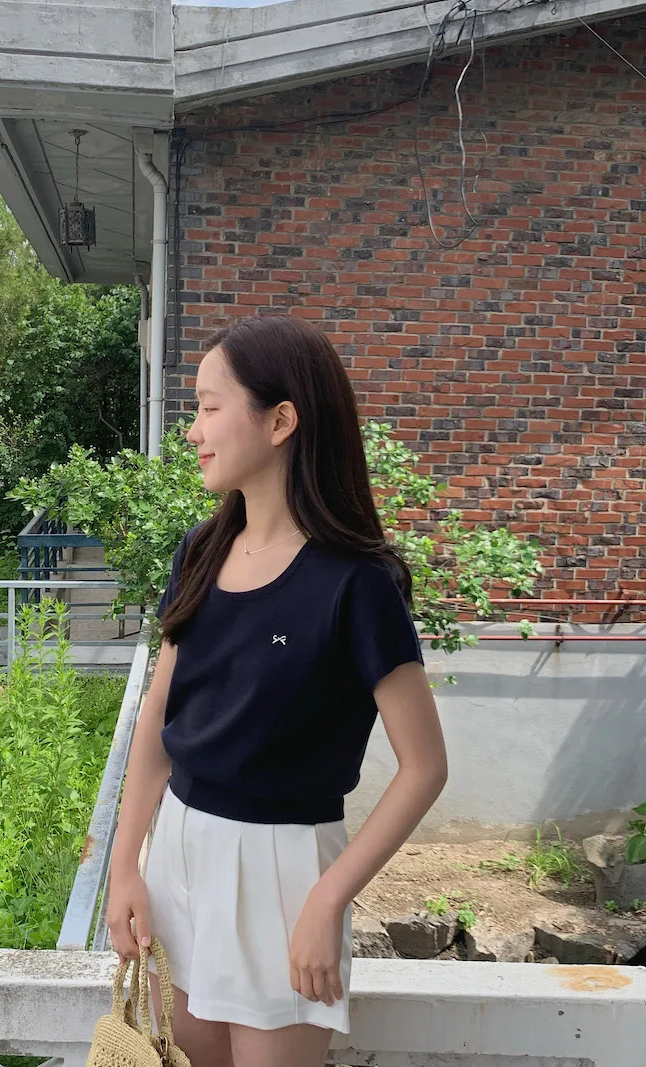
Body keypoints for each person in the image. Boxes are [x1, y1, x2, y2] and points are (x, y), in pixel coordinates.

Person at [107, 315, 448, 1067]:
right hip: (179, 855)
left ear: (280, 420)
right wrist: (126, 865)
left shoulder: (357, 582)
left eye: (209, 406)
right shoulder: (201, 550)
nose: (193, 430)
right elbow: (159, 720)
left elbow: (425, 766)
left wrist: (328, 898)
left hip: (284, 870)